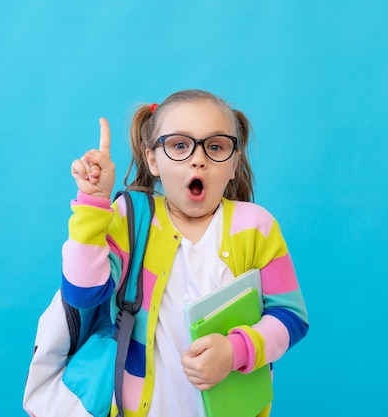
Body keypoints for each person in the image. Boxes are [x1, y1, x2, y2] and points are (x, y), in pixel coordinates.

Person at [63, 89, 309, 417]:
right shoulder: (131, 218)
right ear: (153, 159)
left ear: (234, 162)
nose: (198, 158)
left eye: (216, 146)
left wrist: (235, 351)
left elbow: (291, 317)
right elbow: (82, 293)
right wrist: (93, 204)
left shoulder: (257, 226)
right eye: (180, 145)